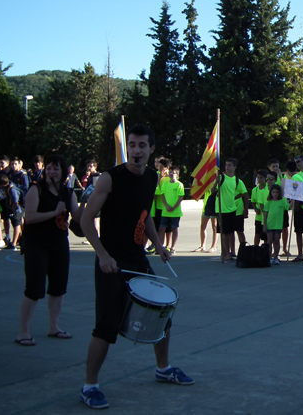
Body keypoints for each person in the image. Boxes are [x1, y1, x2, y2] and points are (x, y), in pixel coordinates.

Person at [79, 124, 193, 409]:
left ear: (151, 149)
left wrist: (159, 245)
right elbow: (85, 220)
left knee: (162, 315)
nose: (136, 150)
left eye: (142, 145)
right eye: (132, 145)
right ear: (127, 147)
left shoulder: (152, 177)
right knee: (105, 327)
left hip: (137, 259)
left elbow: (147, 215)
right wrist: (103, 255)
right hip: (111, 263)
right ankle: (89, 386)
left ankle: (163, 368)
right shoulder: (109, 179)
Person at [15, 153, 80, 346]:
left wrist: (88, 202)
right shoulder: (37, 189)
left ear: (63, 172)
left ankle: (54, 327)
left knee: (58, 288)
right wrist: (54, 212)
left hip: (59, 243)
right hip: (37, 244)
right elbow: (31, 217)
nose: (52, 172)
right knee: (34, 288)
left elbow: (77, 217)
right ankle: (23, 331)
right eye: (49, 168)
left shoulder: (68, 193)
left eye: (56, 168)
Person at [209, 158, 248, 263]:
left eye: (230, 165)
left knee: (230, 232)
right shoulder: (221, 177)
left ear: (235, 167)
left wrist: (244, 208)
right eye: (226, 165)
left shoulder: (236, 181)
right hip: (221, 210)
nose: (227, 167)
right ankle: (225, 254)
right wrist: (215, 183)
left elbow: (244, 193)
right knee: (224, 233)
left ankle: (230, 252)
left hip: (232, 209)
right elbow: (212, 192)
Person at [158, 166, 184, 254]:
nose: (171, 174)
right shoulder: (165, 184)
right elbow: (162, 195)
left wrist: (173, 207)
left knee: (174, 229)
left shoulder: (179, 185)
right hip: (165, 211)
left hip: (175, 212)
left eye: (173, 172)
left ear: (177, 174)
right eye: (170, 172)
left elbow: (180, 197)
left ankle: (173, 247)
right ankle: (161, 247)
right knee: (162, 228)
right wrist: (166, 206)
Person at [267, 159, 290, 256]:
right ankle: (273, 251)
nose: (275, 168)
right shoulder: (268, 177)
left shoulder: (283, 177)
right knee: (272, 232)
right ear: (269, 168)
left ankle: (284, 248)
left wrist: (280, 176)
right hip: (272, 206)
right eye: (273, 167)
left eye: (277, 166)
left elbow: (287, 188)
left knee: (284, 228)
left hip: (282, 206)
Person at [0, 174, 23, 250]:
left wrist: (13, 210)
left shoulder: (12, 189)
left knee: (17, 224)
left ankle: (13, 244)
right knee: (15, 224)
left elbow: (15, 201)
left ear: (2, 184)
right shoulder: (9, 186)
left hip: (17, 209)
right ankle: (18, 240)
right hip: (13, 209)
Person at [263, 184, 289, 265]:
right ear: (271, 193)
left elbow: (289, 207)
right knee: (269, 241)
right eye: (273, 192)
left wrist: (293, 201)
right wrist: (264, 225)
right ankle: (270, 256)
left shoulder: (282, 202)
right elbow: (265, 215)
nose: (275, 194)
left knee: (277, 240)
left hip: (278, 225)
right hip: (270, 225)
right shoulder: (268, 203)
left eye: (277, 192)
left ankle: (276, 257)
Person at [251, 170, 269, 246]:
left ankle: (266, 250)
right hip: (259, 217)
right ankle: (255, 248)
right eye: (258, 177)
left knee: (266, 236)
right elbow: (253, 201)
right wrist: (255, 209)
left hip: (267, 216)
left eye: (261, 177)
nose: (259, 179)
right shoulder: (255, 190)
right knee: (257, 233)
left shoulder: (269, 189)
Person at [197, 188, 217, 252]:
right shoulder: (206, 183)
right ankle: (202, 246)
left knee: (214, 227)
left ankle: (213, 246)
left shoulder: (217, 182)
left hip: (214, 207)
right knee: (203, 226)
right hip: (206, 207)